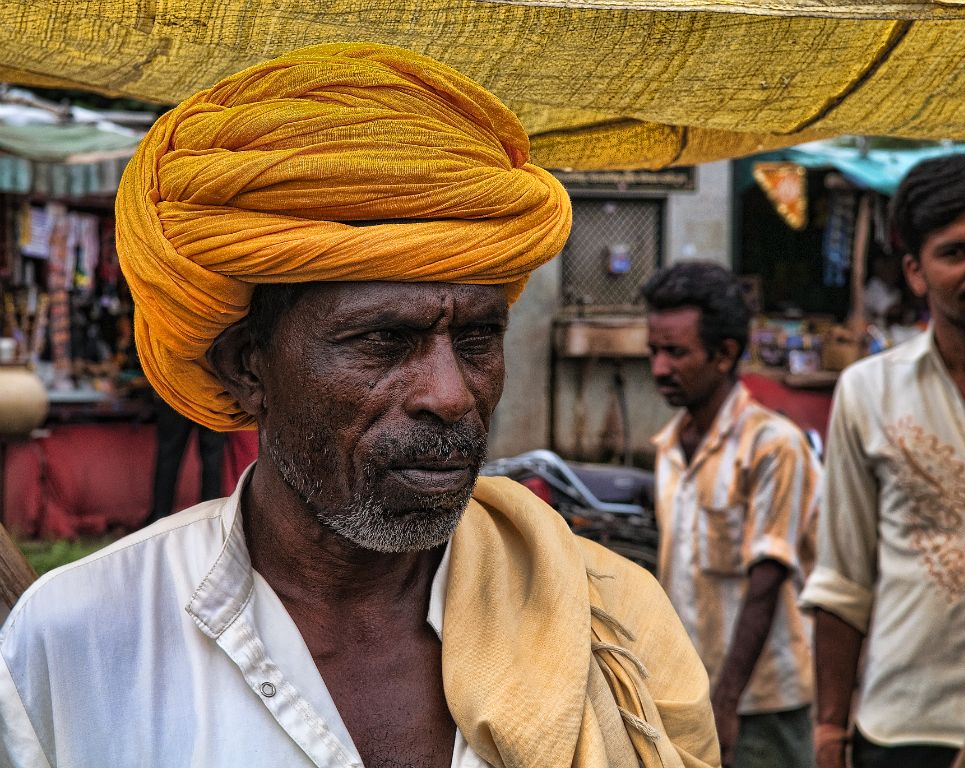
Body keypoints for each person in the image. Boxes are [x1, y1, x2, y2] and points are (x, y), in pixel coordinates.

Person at [0, 43, 721, 768]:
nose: (450, 395)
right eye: (384, 341)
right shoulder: (81, 640)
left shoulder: (613, 618)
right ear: (247, 368)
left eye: (477, 338)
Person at [801, 152, 965, 768]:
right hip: (908, 724)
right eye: (957, 252)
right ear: (916, 272)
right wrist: (829, 729)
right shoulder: (868, 392)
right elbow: (843, 578)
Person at [644, 261, 821, 768]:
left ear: (724, 355)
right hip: (691, 695)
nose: (659, 369)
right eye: (654, 351)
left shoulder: (773, 445)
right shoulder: (669, 448)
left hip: (762, 704)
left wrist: (726, 703)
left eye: (676, 353)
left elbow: (768, 577)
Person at [148, 395, 228, 524]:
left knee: (168, 457)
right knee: (212, 459)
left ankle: (159, 518)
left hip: (177, 393)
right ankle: (211, 520)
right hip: (213, 396)